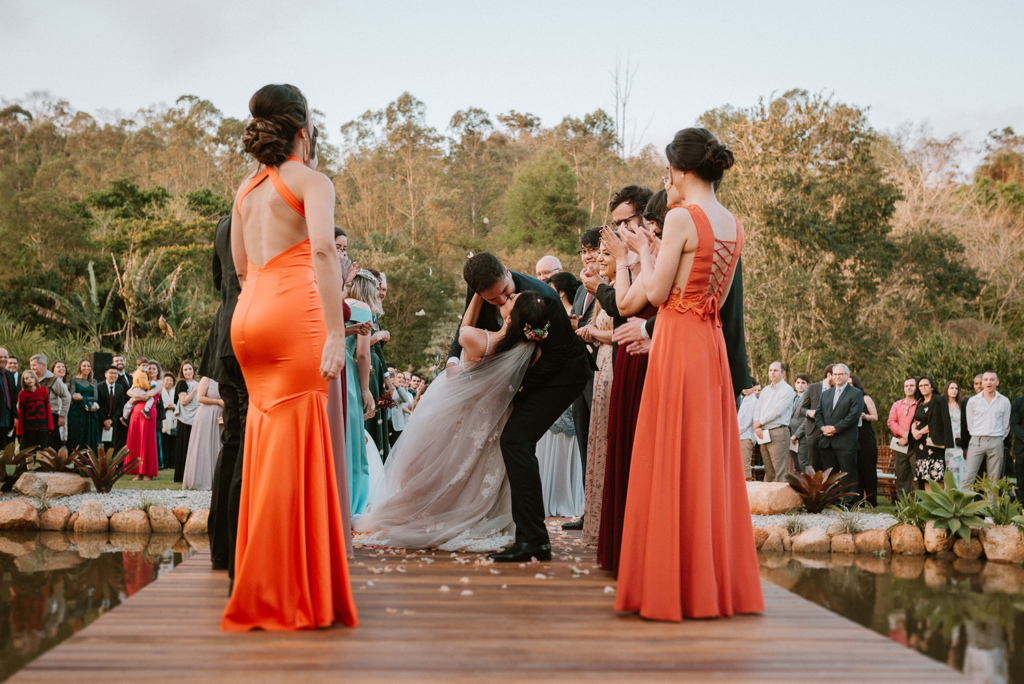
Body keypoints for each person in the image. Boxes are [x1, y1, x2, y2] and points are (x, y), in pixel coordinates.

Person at [222, 83, 357, 632]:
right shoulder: (312, 181)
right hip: (294, 315)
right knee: (298, 441)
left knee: (266, 441)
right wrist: (332, 332)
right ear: (304, 128)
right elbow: (323, 250)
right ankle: (289, 591)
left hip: (249, 317)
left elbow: (239, 265)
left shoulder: (245, 190)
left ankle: (264, 579)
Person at [615, 128, 763, 621]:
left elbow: (655, 295)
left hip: (678, 341)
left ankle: (668, 585)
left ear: (679, 171)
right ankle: (710, 584)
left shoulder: (681, 216)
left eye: (667, 172)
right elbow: (700, 287)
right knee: (704, 460)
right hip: (711, 344)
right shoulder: (734, 225)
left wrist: (638, 256)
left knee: (668, 454)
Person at [354, 293, 552, 550]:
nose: (507, 297)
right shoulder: (532, 350)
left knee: (441, 468)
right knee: (474, 472)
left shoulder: (484, 339)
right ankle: (469, 512)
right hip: (498, 417)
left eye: (511, 300)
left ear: (512, 317)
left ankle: (434, 511)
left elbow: (463, 331)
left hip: (466, 413)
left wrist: (477, 296)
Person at [446, 252, 589, 562]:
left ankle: (534, 541)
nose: (500, 302)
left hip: (561, 376)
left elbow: (556, 357)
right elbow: (464, 328)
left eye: (505, 294)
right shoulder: (482, 290)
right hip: (520, 376)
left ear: (507, 271)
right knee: (512, 442)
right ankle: (520, 532)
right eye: (492, 299)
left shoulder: (544, 298)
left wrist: (515, 388)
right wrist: (454, 360)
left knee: (516, 440)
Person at [594, 218, 659, 574]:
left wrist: (625, 258)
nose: (624, 229)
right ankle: (623, 548)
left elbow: (623, 305)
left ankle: (642, 553)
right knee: (621, 444)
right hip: (630, 356)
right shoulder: (643, 256)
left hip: (650, 357)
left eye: (629, 222)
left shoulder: (652, 255)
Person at [578, 241, 617, 545]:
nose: (598, 259)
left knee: (607, 438)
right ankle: (595, 519)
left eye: (605, 254)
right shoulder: (604, 290)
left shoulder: (617, 291)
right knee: (596, 438)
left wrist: (593, 334)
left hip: (613, 365)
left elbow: (622, 332)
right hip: (599, 365)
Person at [536, 272, 585, 518]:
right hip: (551, 383)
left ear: (560, 292)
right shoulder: (551, 316)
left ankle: (566, 496)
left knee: (568, 442)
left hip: (568, 383)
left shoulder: (575, 318)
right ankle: (550, 495)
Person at [563, 227, 601, 531]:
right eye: (584, 251)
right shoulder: (579, 289)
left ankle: (600, 511)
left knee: (599, 440)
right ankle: (589, 511)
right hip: (578, 373)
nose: (588, 256)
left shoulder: (607, 283)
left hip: (599, 370)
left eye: (593, 250)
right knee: (584, 442)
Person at [346, 270, 379, 516]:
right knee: (352, 434)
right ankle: (353, 500)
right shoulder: (362, 309)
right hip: (346, 372)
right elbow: (363, 354)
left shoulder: (336, 303)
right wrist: (365, 388)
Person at [815, 363, 864, 502]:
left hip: (845, 441)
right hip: (827, 440)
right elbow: (818, 414)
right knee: (830, 476)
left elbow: (853, 416)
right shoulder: (826, 394)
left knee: (848, 475)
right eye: (835, 374)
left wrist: (836, 428)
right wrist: (823, 427)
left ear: (847, 376)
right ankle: (832, 502)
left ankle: (849, 504)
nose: (837, 377)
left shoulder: (856, 393)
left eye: (840, 374)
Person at [963, 371, 1011, 487]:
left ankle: (991, 506)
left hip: (996, 441)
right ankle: (962, 506)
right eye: (985, 380)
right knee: (969, 477)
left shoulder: (1004, 401)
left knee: (993, 481)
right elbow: (970, 424)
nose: (988, 382)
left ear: (997, 382)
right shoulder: (973, 401)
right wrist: (977, 435)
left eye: (991, 379)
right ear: (982, 383)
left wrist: (998, 439)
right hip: (976, 441)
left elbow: (1006, 425)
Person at [753, 362, 796, 483]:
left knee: (780, 472)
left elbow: (777, 411)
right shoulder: (765, 390)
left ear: (783, 373)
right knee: (769, 472)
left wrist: (759, 422)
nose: (772, 372)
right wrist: (757, 427)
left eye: (775, 370)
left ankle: (781, 502)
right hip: (763, 433)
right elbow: (757, 408)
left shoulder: (787, 390)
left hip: (778, 432)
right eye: (770, 370)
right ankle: (771, 502)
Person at [182, 376, 223, 491]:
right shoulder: (206, 379)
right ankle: (200, 481)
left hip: (219, 417)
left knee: (216, 446)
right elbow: (200, 398)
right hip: (206, 415)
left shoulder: (224, 380)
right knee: (204, 447)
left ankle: (216, 480)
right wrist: (218, 401)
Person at [911, 376, 948, 490]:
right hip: (921, 446)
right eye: (921, 386)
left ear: (932, 387)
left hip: (934, 443)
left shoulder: (938, 400)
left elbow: (937, 421)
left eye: (926, 385)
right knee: (926, 478)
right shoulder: (920, 403)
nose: (923, 387)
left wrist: (920, 432)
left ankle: (940, 506)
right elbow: (915, 420)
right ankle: (930, 507)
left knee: (936, 477)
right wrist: (913, 430)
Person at [849, 374, 879, 506]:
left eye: (851, 384)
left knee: (868, 468)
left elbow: (875, 417)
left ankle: (872, 500)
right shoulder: (846, 399)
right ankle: (858, 500)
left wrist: (865, 415)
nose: (849, 386)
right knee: (856, 469)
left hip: (866, 437)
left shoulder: (865, 398)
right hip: (851, 437)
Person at [124, 369, 160, 481]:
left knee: (147, 442)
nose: (151, 370)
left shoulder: (159, 382)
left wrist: (136, 397)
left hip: (148, 414)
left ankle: (148, 473)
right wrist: (137, 396)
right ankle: (138, 472)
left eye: (154, 368)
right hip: (135, 414)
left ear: (158, 370)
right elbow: (129, 392)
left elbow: (150, 395)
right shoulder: (140, 380)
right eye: (149, 368)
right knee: (136, 442)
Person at [887, 377, 920, 493]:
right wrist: (904, 434)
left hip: (916, 445)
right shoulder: (897, 405)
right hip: (900, 444)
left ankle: (919, 508)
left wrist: (909, 438)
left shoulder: (920, 404)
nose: (909, 388)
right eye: (906, 386)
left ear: (916, 388)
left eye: (912, 385)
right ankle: (903, 507)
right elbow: (891, 422)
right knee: (902, 478)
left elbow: (921, 423)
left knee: (917, 477)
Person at [30, 354, 70, 450]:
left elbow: (66, 397)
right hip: (32, 418)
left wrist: (62, 415)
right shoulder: (30, 378)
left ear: (43, 365)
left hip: (50, 417)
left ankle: (56, 465)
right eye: (31, 365)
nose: (32, 367)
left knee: (53, 446)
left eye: (34, 365)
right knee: (32, 447)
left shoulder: (53, 379)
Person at [799, 365, 833, 473]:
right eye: (835, 375)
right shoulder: (813, 387)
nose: (838, 378)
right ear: (829, 375)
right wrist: (810, 412)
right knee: (813, 465)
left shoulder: (837, 390)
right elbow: (802, 409)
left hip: (831, 432)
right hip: (813, 431)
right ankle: (812, 489)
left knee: (829, 465)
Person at [173, 361, 199, 483]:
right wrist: (194, 390)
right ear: (182, 372)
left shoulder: (198, 383)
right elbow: (184, 401)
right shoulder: (182, 383)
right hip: (185, 419)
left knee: (194, 447)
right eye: (185, 370)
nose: (188, 372)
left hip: (196, 418)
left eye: (190, 369)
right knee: (184, 446)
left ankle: (192, 475)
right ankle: (181, 475)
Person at [66, 359, 100, 453]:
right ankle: (75, 460)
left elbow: (95, 398)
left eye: (88, 366)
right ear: (80, 368)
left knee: (90, 434)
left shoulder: (94, 381)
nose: (86, 368)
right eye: (84, 366)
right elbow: (73, 396)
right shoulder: (74, 379)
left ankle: (90, 461)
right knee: (76, 433)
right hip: (77, 411)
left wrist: (82, 398)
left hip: (90, 411)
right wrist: (82, 398)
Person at [16, 370, 52, 450]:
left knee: (43, 450)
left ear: (35, 378)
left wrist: (50, 427)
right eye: (26, 378)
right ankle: (29, 463)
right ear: (23, 381)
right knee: (29, 452)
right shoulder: (22, 394)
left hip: (42, 427)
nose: (29, 379)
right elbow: (20, 413)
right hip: (28, 428)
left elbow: (48, 410)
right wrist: (19, 431)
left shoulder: (43, 391)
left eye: (32, 377)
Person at [941, 381, 967, 488]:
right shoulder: (942, 405)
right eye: (951, 388)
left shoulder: (962, 405)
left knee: (961, 469)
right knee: (948, 471)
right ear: (947, 389)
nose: (954, 391)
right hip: (945, 443)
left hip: (959, 443)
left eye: (956, 388)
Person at [97, 366, 127, 451]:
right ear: (105, 374)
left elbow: (121, 405)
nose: (113, 375)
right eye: (111, 373)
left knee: (110, 446)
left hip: (113, 421)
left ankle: (110, 464)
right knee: (98, 444)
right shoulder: (99, 386)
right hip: (100, 420)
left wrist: (112, 420)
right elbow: (98, 404)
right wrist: (104, 420)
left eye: (115, 373)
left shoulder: (120, 388)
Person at [737, 384, 759, 480]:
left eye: (747, 386)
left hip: (746, 437)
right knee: (739, 466)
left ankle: (748, 492)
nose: (745, 389)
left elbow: (746, 422)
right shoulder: (744, 399)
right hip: (740, 436)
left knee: (745, 466)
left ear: (754, 387)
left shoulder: (754, 401)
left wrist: (735, 432)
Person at [789, 373, 810, 472]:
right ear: (795, 384)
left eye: (803, 383)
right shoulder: (793, 397)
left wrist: (796, 435)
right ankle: (798, 486)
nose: (800, 385)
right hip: (791, 434)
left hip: (802, 435)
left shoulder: (808, 397)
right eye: (798, 382)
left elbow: (807, 419)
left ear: (808, 385)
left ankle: (806, 486)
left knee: (803, 463)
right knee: (796, 464)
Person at [159, 373, 177, 468]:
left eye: (171, 380)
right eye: (167, 380)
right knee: (164, 443)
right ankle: (165, 463)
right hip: (164, 419)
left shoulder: (175, 392)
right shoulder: (160, 391)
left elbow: (178, 404)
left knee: (173, 443)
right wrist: (166, 406)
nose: (169, 382)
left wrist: (174, 406)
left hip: (173, 419)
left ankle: (173, 463)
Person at [1009, 393, 1024, 502]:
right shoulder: (1018, 401)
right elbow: (1014, 424)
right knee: (1021, 484)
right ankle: (1022, 513)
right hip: (1021, 449)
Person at [0, 348, 16, 448]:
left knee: (3, 448)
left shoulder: (10, 375)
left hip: (7, 419)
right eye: (0, 357)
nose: (3, 359)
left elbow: (13, 397)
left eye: (5, 357)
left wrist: (15, 416)